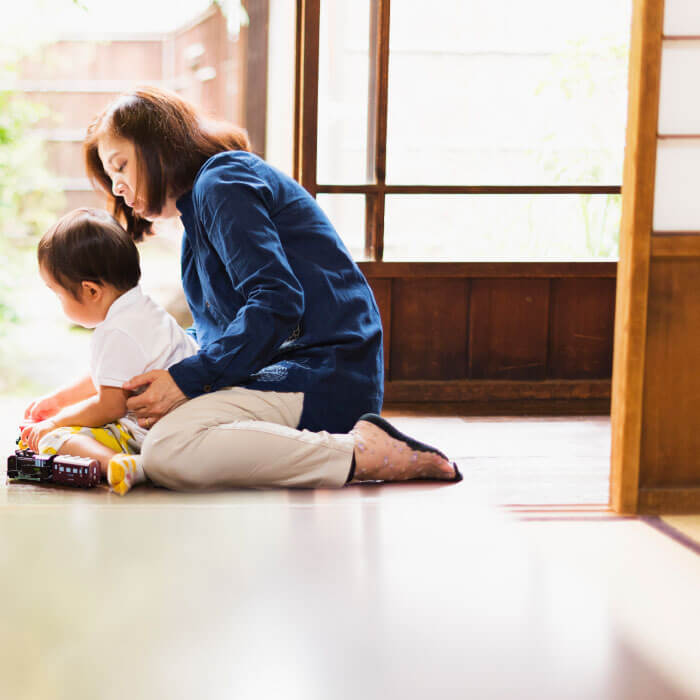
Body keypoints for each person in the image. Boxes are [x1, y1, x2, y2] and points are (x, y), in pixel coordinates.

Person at [76, 86, 461, 493]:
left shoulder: (222, 183)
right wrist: (141, 378)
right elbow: (218, 336)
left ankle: (360, 453)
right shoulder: (195, 225)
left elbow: (276, 303)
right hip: (278, 374)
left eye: (121, 166)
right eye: (110, 176)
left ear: (157, 146)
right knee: (151, 430)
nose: (117, 186)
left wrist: (186, 380)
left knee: (167, 448)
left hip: (323, 373)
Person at [21, 208, 199, 494]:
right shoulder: (141, 308)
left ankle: (121, 463)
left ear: (91, 291)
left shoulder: (115, 332)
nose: (58, 302)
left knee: (54, 439)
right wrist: (60, 399)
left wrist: (56, 421)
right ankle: (125, 462)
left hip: (149, 429)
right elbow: (106, 377)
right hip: (183, 415)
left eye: (58, 293)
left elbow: (110, 405)